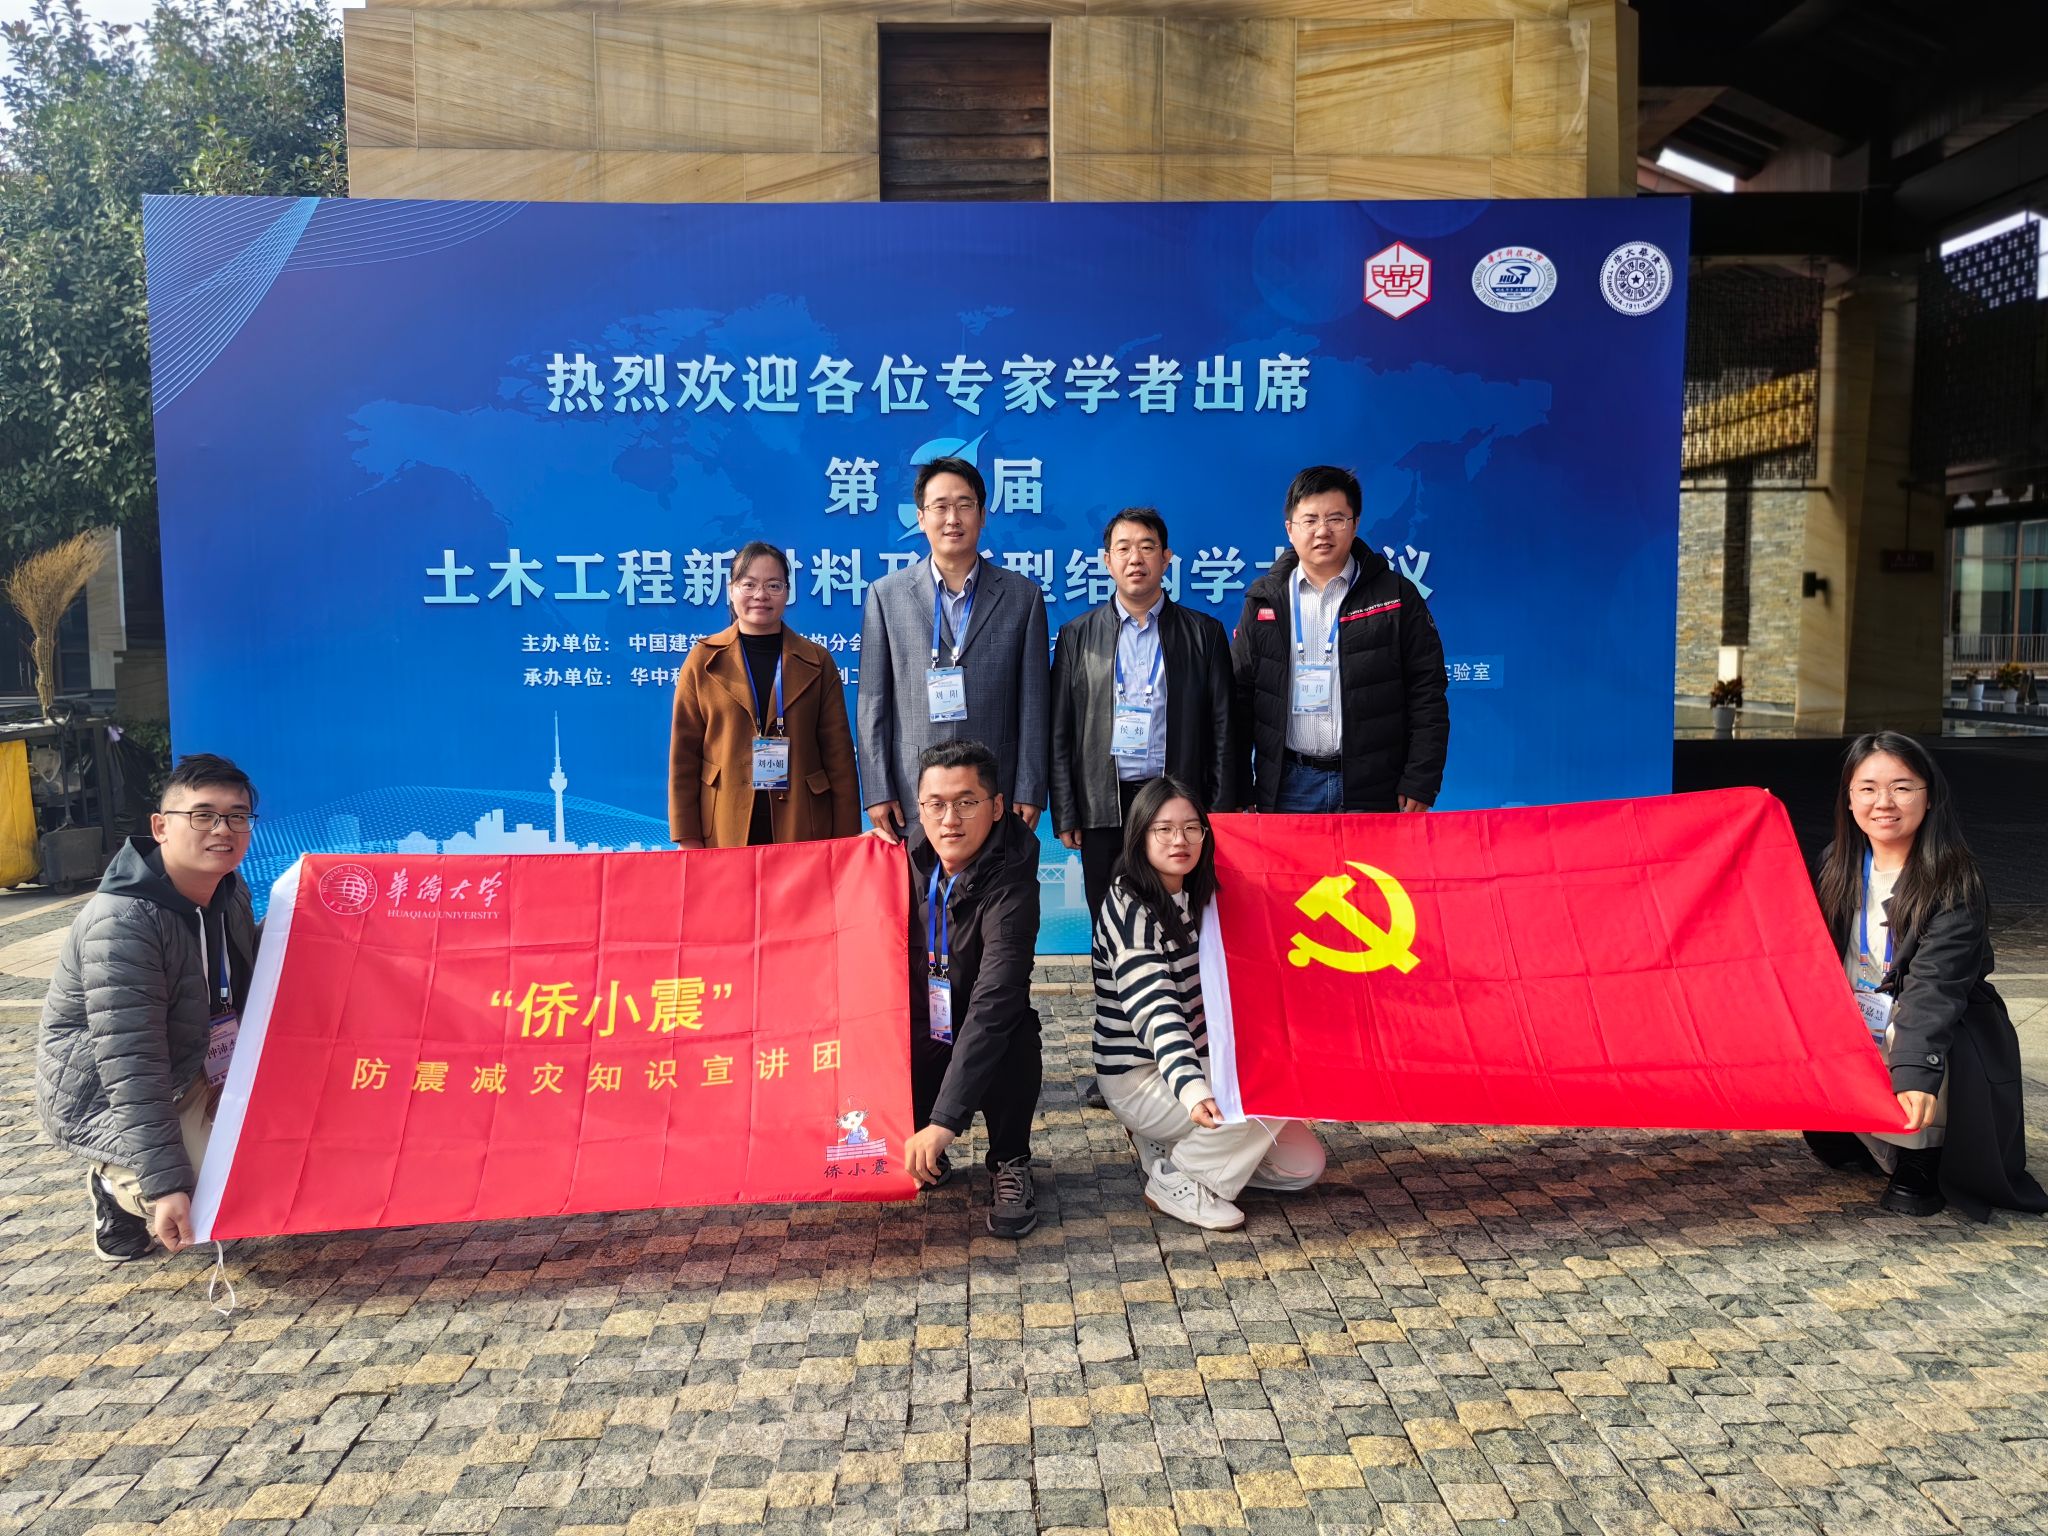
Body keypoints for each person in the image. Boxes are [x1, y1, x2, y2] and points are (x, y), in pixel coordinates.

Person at [1802, 731, 2047, 1222]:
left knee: (1918, 1037)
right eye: (1867, 788)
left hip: (1925, 1017)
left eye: (1902, 787)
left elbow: (1935, 989)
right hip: (1854, 1011)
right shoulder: (1834, 863)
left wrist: (1916, 1072)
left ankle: (1923, 1153)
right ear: (1849, 799)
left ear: (1929, 796)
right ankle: (1855, 1127)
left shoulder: (1953, 879)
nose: (1884, 802)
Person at [35, 755, 260, 1261]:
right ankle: (115, 1187)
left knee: (290, 1149)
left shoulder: (230, 891)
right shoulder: (123, 924)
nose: (222, 829)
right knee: (211, 1193)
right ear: (160, 827)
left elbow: (253, 975)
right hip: (111, 1091)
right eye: (203, 815)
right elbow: (132, 1065)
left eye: (237, 816)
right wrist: (166, 1184)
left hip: (200, 1059)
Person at [1092, 775, 1325, 1230]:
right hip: (1143, 1077)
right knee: (1276, 1079)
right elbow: (1155, 1011)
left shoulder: (1202, 894)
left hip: (1203, 1060)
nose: (1179, 840)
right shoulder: (1129, 907)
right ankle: (1181, 1178)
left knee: (1302, 1167)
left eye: (1191, 828)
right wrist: (1193, 1089)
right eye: (1164, 829)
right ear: (1140, 835)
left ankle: (1173, 1144)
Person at [886, 739, 1045, 1238]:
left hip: (982, 1024)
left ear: (996, 807)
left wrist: (945, 1121)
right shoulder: (896, 861)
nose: (949, 820)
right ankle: (917, 1148)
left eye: (966, 802)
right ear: (919, 808)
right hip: (921, 1023)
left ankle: (1010, 1160)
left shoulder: (1014, 882)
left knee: (1015, 1030)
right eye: (935, 804)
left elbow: (995, 1001)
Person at [1231, 465, 1449, 814]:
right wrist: (1239, 788)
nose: (1323, 531)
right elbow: (1239, 698)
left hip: (1375, 786)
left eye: (1336, 519)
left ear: (1355, 524)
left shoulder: (1395, 596)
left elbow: (1427, 691)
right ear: (1290, 529)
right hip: (1289, 787)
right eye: (1310, 520)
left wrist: (1421, 779)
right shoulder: (1264, 602)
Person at [1051, 507, 1235, 919]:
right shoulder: (1077, 636)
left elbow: (1224, 727)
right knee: (1109, 919)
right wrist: (1066, 809)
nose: (1135, 558)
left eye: (1147, 547)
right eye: (1124, 548)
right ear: (1107, 561)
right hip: (1104, 804)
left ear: (1166, 558)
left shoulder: (1204, 633)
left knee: (1181, 917)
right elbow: (1060, 731)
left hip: (1177, 803)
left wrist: (1219, 810)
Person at [857, 457, 1049, 843]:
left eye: (964, 505)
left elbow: (1034, 703)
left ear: (982, 515)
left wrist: (1029, 787)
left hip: (995, 791)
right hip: (913, 792)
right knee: (919, 883)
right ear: (921, 517)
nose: (952, 519)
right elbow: (873, 702)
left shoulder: (1022, 597)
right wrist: (877, 790)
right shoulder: (886, 595)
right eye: (940, 506)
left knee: (996, 881)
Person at [669, 541, 858, 848]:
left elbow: (839, 756)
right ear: (731, 590)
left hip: (803, 823)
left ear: (787, 592)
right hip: (724, 822)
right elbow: (683, 757)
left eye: (773, 585)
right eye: (749, 584)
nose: (761, 595)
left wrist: (847, 841)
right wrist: (687, 836)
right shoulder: (703, 660)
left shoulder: (817, 661)